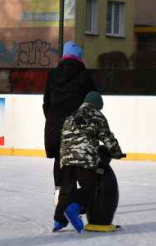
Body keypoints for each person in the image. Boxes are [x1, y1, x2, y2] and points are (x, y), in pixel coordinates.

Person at [54, 91, 124, 233]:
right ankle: (74, 207)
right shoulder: (97, 115)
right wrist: (117, 153)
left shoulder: (72, 115)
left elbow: (64, 138)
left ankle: (59, 220)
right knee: (90, 189)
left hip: (66, 158)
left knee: (66, 190)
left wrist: (65, 157)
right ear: (97, 104)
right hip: (84, 159)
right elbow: (107, 138)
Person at [43, 42, 96, 191]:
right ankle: (74, 200)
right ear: (80, 58)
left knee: (60, 159)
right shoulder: (84, 76)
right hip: (76, 128)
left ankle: (60, 191)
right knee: (77, 161)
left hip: (54, 127)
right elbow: (93, 101)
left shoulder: (52, 75)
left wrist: (53, 120)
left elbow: (46, 103)